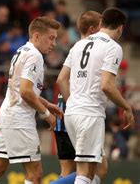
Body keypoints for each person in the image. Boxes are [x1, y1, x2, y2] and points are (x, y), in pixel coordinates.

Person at [0, 17, 63, 184]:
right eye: (51, 38)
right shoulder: (35, 56)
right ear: (37, 36)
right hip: (20, 119)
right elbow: (25, 92)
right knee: (35, 174)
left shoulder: (22, 50)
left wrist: (49, 105)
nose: (54, 43)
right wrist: (46, 114)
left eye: (55, 38)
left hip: (8, 114)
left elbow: (22, 89)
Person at [57, 7, 135, 184]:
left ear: (101, 24)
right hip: (89, 113)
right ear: (120, 28)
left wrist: (73, 103)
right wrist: (126, 106)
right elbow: (106, 85)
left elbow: (61, 79)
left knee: (99, 167)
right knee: (84, 172)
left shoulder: (79, 43)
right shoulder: (113, 47)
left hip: (73, 113)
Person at [52, 11, 109, 184]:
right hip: (78, 111)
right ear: (93, 29)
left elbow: (62, 78)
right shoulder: (95, 49)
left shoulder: (75, 47)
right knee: (96, 168)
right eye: (101, 26)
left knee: (73, 170)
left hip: (65, 110)